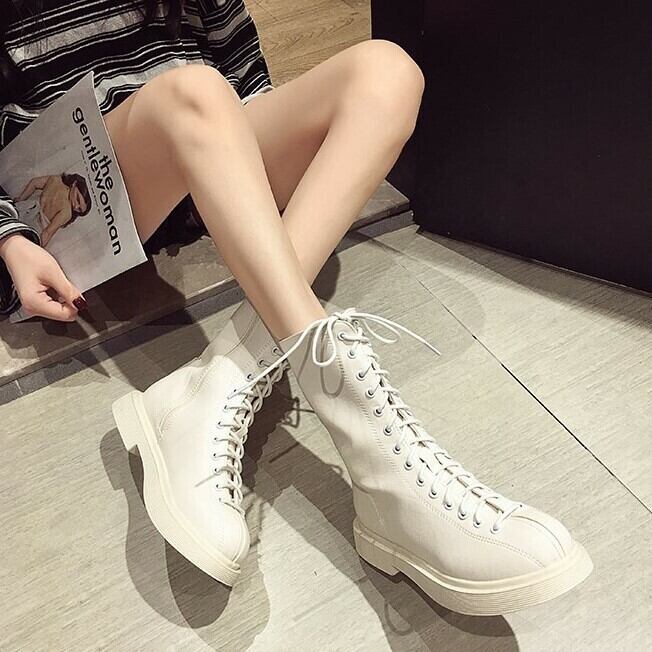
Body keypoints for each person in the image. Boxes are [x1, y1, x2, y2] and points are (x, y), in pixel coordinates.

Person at [0, 0, 592, 615]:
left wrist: (238, 161)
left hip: (197, 140)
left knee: (388, 72)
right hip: (66, 206)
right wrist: (9, 237)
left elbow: (244, 79)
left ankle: (216, 384)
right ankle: (377, 452)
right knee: (191, 92)